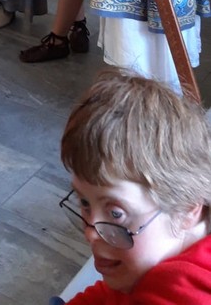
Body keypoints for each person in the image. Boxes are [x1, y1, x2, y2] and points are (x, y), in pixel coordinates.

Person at [58, 69, 211, 303]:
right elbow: (113, 294)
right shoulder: (161, 260)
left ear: (188, 209)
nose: (90, 233)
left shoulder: (180, 294)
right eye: (84, 202)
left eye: (116, 213)